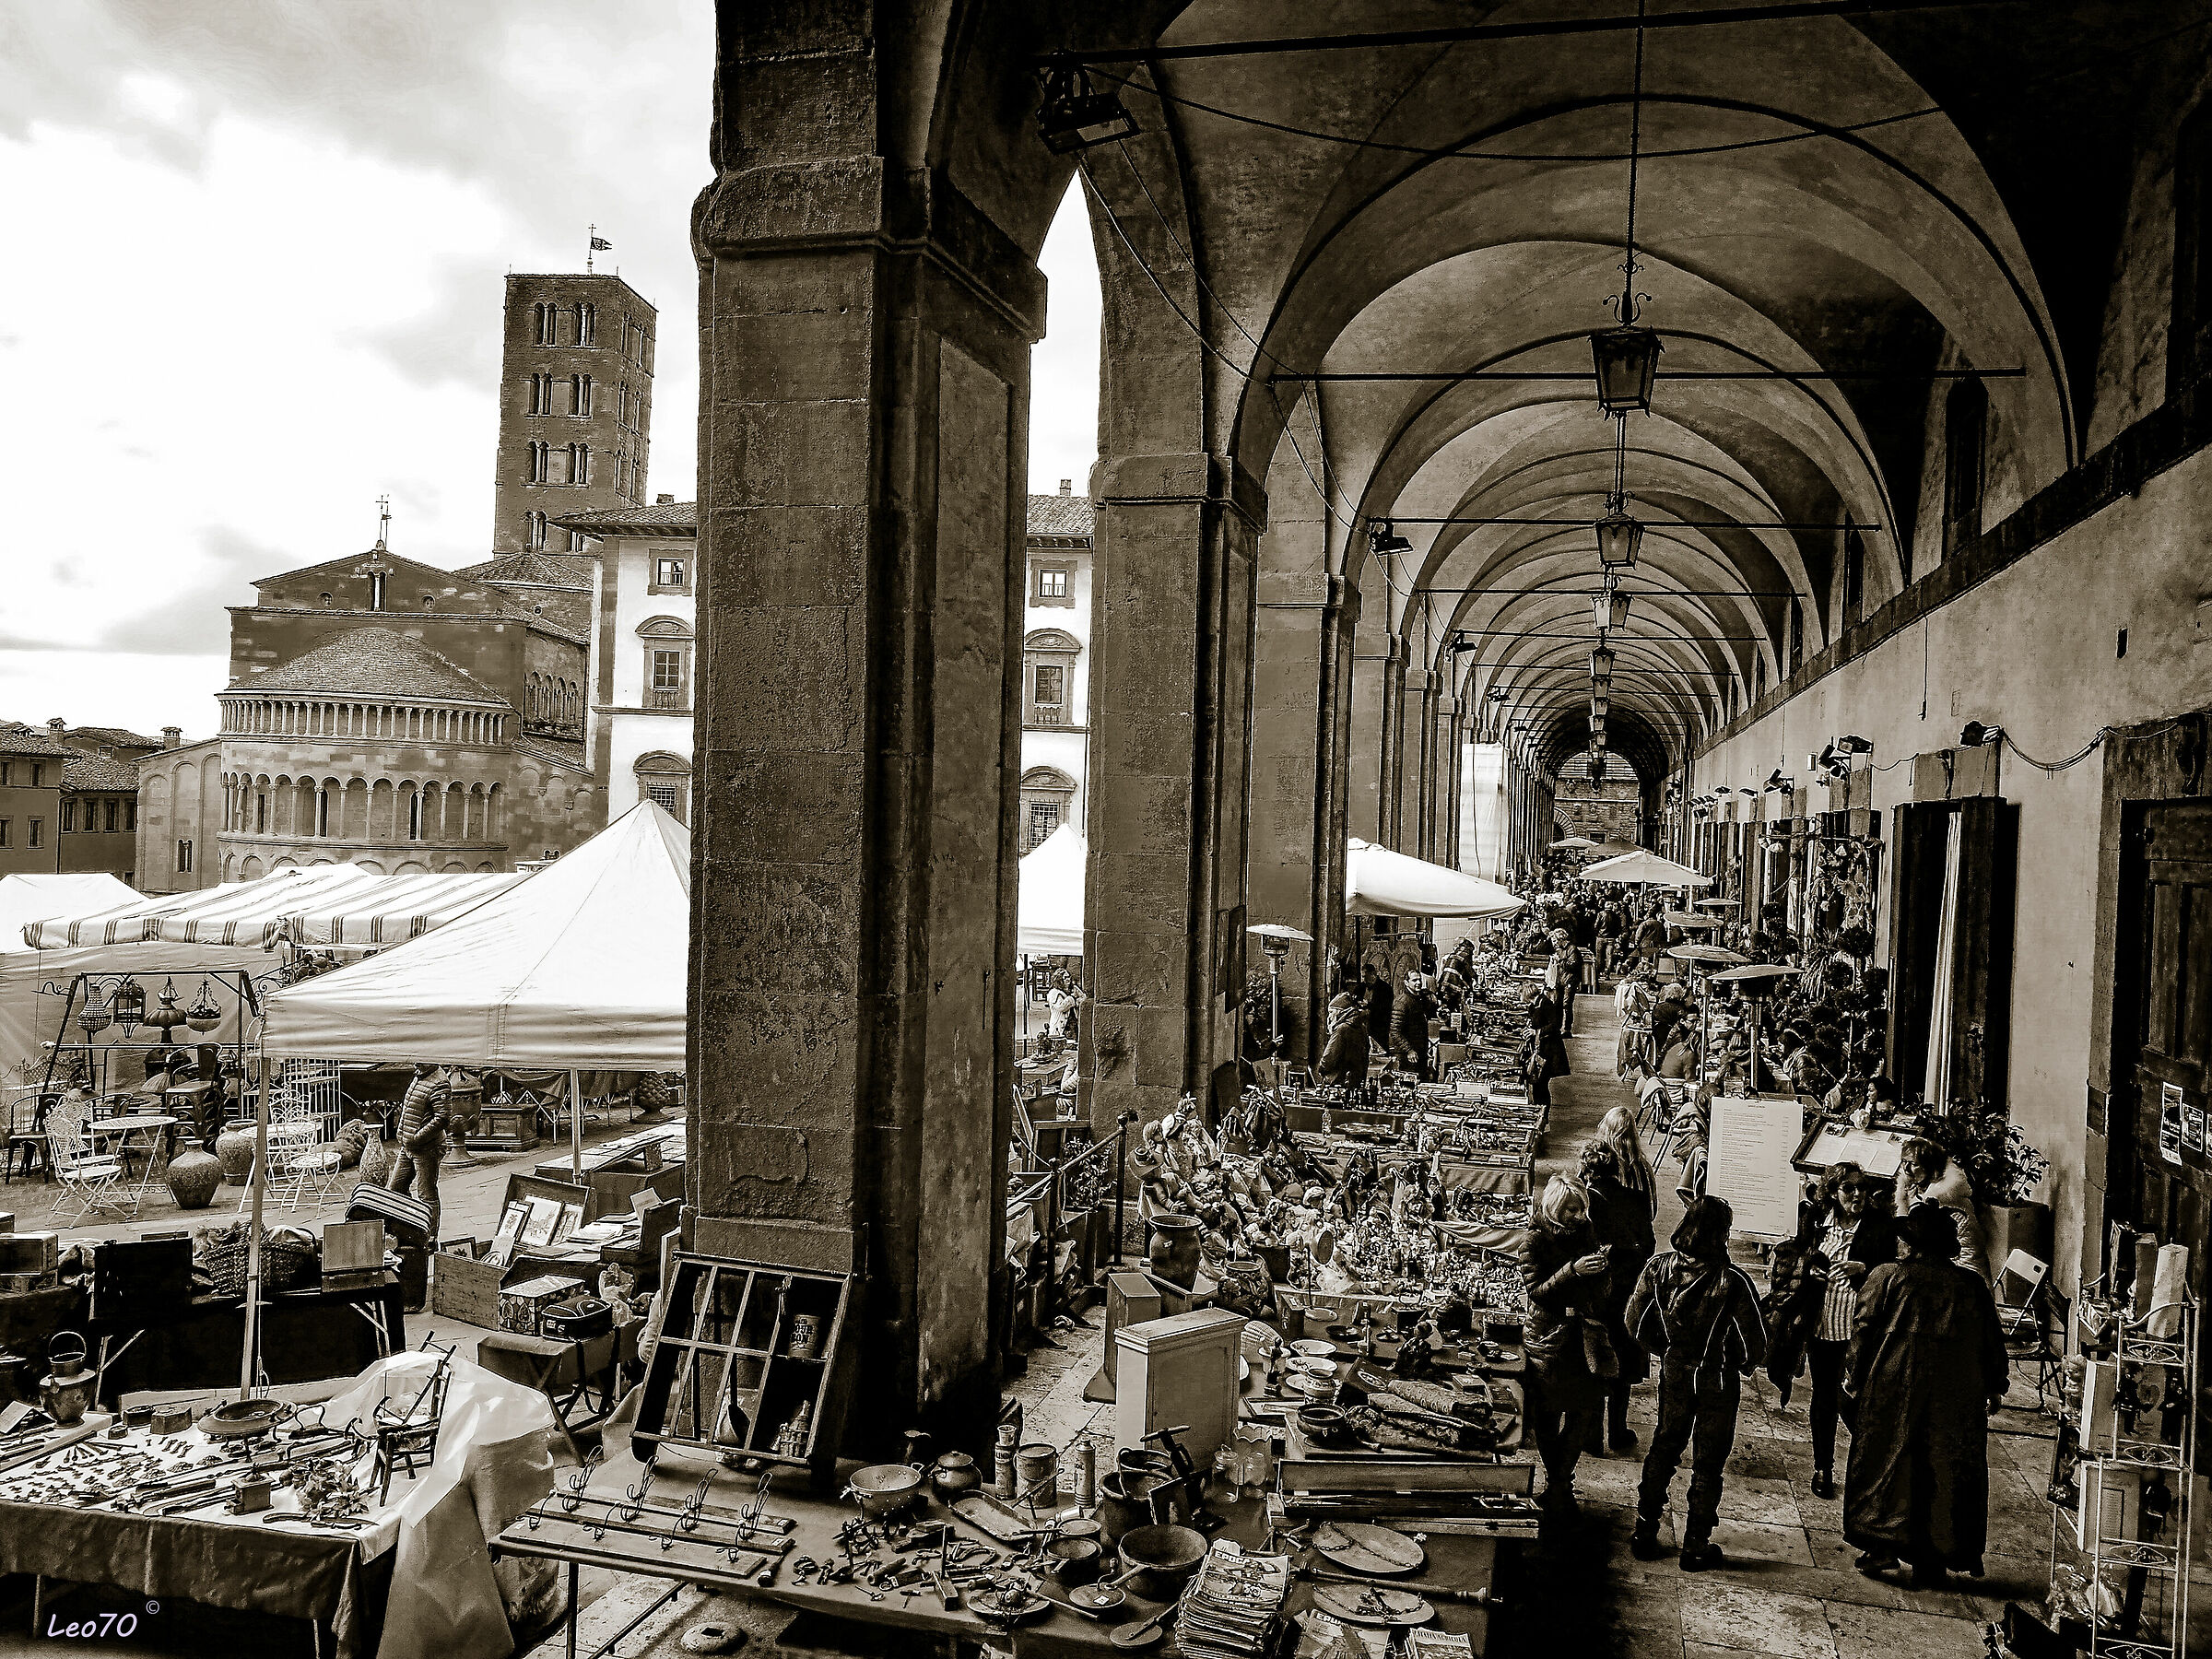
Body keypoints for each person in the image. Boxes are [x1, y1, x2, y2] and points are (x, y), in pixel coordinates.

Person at [1843, 1202, 2008, 1588]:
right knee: (1944, 1470)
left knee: (1889, 1463)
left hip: (1893, 1385)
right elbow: (1990, 1341)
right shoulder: (1970, 1286)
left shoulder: (1887, 1277)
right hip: (1954, 1393)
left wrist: (1853, 1376)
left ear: (1912, 1244)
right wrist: (1994, 1385)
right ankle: (1931, 1557)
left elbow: (1863, 1331)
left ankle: (1883, 1546)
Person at [1627, 1195, 1767, 1569]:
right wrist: (1738, 1362)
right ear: (1722, 1234)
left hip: (1675, 1374)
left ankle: (1644, 1529)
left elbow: (1634, 1322)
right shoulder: (1732, 1281)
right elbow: (1755, 1345)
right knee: (1708, 1462)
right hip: (1716, 1382)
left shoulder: (1659, 1268)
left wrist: (1668, 1350)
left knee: (1664, 1446)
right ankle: (1695, 1543)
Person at [1773, 1163, 1896, 1499]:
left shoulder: (1879, 1227)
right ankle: (1822, 1467)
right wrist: (1808, 1267)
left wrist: (1865, 1268)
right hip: (1822, 1322)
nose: (1858, 1195)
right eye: (1849, 1189)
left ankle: (1873, 1466)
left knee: (1857, 1399)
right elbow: (1795, 1256)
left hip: (1860, 1328)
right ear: (1833, 1192)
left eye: (1862, 1187)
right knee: (1824, 1395)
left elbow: (1894, 1273)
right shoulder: (1816, 1223)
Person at [1521, 1176, 1612, 1523]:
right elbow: (1539, 1292)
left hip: (1583, 1336)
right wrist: (1572, 1271)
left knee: (1582, 1412)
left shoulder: (1586, 1232)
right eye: (1571, 1209)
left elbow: (1602, 1290)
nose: (1579, 1215)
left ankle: (1561, 1482)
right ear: (1555, 1208)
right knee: (1546, 1413)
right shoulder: (1534, 1240)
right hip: (1549, 1337)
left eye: (1582, 1208)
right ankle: (1558, 1481)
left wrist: (1602, 1272)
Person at [1580, 1105, 1658, 1452]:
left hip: (1600, 1287)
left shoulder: (1590, 1194)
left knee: (1597, 1358)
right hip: (1629, 1285)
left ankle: (1593, 1436)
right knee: (1623, 1359)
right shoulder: (1640, 1183)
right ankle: (1618, 1429)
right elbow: (1650, 1234)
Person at [1894, 1136, 1989, 1281]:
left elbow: (1969, 1256)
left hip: (1959, 1283)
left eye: (1913, 1164)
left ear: (1930, 1168)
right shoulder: (1912, 1194)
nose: (1906, 1169)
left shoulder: (1952, 1202)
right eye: (1904, 1162)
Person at [388, 1062, 451, 1241]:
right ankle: (408, 1225)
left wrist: (416, 1137)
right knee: (396, 1189)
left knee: (426, 1193)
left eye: (420, 1060)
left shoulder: (439, 1082)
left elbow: (442, 1119)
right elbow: (409, 1108)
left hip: (427, 1148)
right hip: (408, 1146)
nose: (415, 1063)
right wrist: (404, 1135)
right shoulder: (420, 1074)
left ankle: (430, 1238)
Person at [1525, 984, 1571, 1106]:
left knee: (1541, 1083)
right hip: (1544, 1047)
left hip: (1550, 1049)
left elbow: (1555, 1025)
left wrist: (1537, 1032)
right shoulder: (1536, 1004)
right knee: (1539, 1083)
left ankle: (1543, 1111)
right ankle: (1540, 1108)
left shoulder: (1545, 1004)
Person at [1315, 992, 1371, 1088]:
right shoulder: (1361, 1027)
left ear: (1339, 1012)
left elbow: (1329, 1058)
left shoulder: (1341, 1029)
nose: (1329, 1017)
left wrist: (1321, 1069)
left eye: (1331, 1012)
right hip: (1355, 1080)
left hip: (1337, 1081)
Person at [1391, 970, 1437, 1078]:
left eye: (1419, 980)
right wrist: (1409, 1050)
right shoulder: (1402, 1002)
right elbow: (1394, 1031)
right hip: (1406, 1056)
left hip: (1419, 1053)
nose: (1418, 983)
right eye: (1414, 980)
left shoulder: (1418, 999)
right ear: (1406, 983)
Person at [1363, 965, 1394, 1054]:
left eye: (1365, 976)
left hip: (1379, 1026)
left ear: (1373, 974)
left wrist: (1369, 1005)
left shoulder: (1386, 988)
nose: (1363, 979)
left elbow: (1386, 1008)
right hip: (1364, 1025)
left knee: (1381, 1051)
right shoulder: (1361, 987)